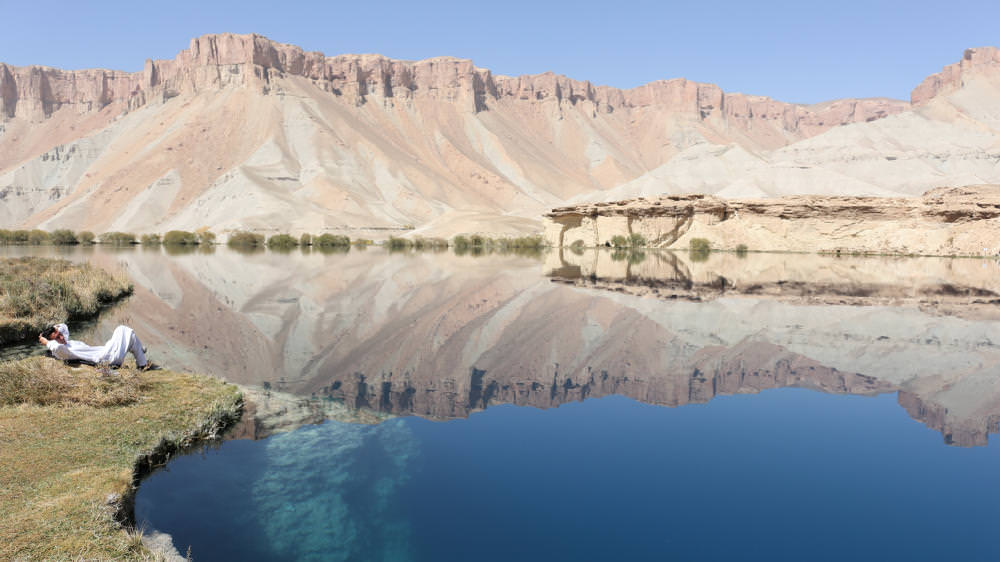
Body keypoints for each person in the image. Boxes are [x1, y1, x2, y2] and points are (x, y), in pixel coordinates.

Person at [38, 323, 155, 370]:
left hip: (105, 352)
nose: (62, 337)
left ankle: (141, 362)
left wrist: (54, 329)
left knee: (128, 334)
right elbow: (55, 347)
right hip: (105, 359)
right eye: (57, 337)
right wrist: (46, 342)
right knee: (123, 330)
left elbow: (64, 327)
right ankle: (140, 357)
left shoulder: (67, 342)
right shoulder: (60, 350)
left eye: (60, 335)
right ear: (52, 342)